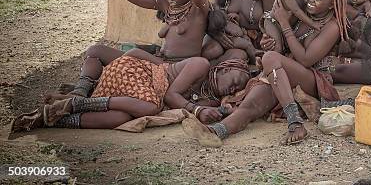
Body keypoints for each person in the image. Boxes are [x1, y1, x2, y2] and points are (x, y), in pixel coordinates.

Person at [202, 0, 349, 145]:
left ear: (331, 5)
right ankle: (217, 131)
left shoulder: (332, 27)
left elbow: (306, 60)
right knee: (251, 105)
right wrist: (269, 42)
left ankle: (295, 124)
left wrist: (284, 24)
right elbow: (282, 42)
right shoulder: (301, 11)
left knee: (271, 58)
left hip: (313, 79)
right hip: (282, 73)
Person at [60, 0, 211, 98]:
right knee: (95, 51)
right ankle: (81, 90)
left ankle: (96, 87)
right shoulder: (166, 5)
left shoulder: (199, 9)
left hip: (175, 68)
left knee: (133, 54)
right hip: (156, 60)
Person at [12, 50, 251, 131]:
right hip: (137, 73)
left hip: (135, 93)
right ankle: (74, 103)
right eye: (237, 79)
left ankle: (53, 119)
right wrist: (196, 109)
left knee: (120, 118)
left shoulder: (209, 97)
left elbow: (201, 110)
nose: (235, 86)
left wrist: (224, 108)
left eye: (238, 87)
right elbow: (170, 95)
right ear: (224, 68)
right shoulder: (201, 64)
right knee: (151, 107)